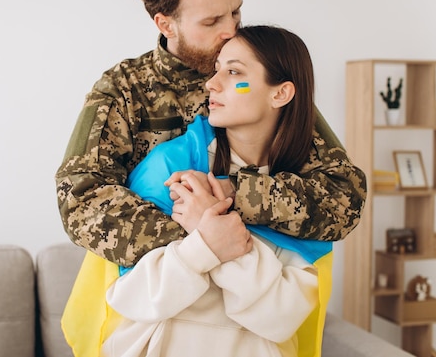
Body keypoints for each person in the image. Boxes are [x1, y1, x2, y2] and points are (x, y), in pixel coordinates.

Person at [55, 0, 366, 269]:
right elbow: (81, 199)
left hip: (258, 301)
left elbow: (344, 198)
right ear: (166, 25)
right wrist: (201, 239)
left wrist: (233, 195)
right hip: (147, 300)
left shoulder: (259, 82)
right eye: (211, 21)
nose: (231, 30)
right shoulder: (123, 90)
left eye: (235, 12)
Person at [64, 25, 337, 357]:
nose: (212, 83)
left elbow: (280, 319)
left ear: (280, 94)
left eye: (234, 72)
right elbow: (132, 298)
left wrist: (220, 237)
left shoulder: (308, 196)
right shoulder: (171, 166)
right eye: (216, 69)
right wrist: (207, 244)